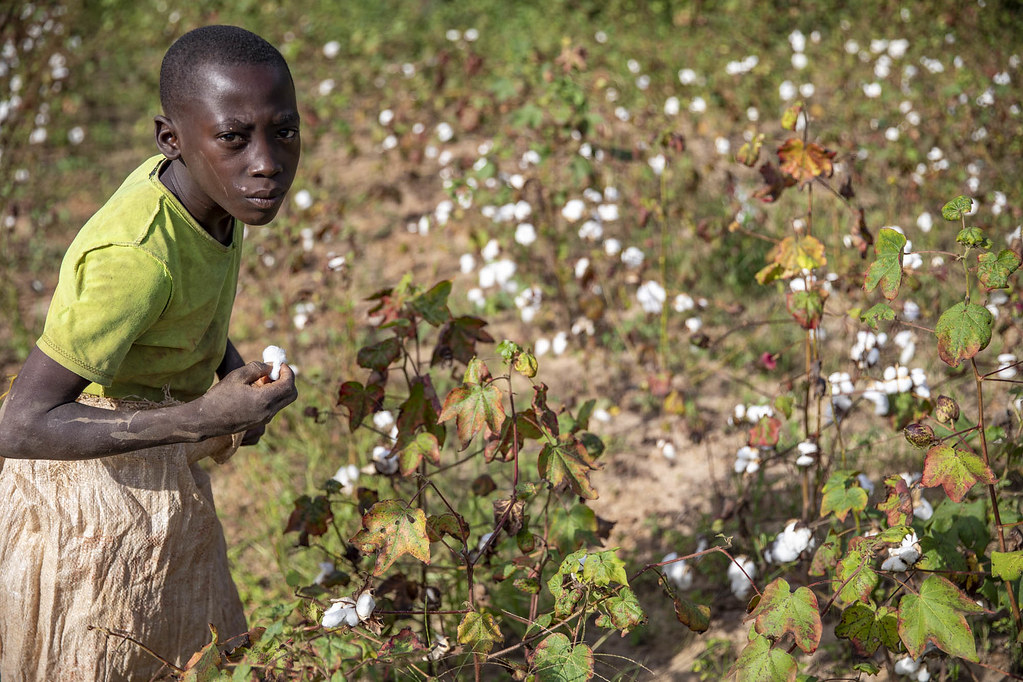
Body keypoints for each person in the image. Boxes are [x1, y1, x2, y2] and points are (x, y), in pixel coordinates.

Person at [0, 25, 300, 680]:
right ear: (172, 139)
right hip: (87, 503)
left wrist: (231, 378)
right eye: (235, 137)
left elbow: (184, 310)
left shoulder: (218, 198)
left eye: (284, 131)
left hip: (161, 466)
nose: (267, 162)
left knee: (190, 659)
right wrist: (203, 417)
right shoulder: (134, 259)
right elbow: (20, 425)